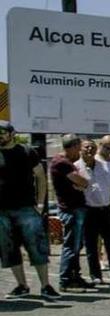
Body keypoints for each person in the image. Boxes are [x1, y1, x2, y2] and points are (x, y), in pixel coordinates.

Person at [0, 120, 60, 300]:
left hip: (26, 208)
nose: (0, 136)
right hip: (1, 211)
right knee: (8, 250)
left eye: (2, 132)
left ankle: (46, 286)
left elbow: (41, 177)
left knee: (37, 247)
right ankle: (22, 286)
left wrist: (40, 204)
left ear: (11, 134)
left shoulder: (27, 152)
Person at [76, 140, 110, 285]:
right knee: (92, 246)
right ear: (80, 149)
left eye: (92, 148)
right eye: (86, 147)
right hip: (88, 211)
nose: (89, 150)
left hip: (105, 209)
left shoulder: (103, 166)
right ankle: (96, 276)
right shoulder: (76, 167)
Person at [49, 134, 94, 291]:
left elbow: (81, 184)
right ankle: (66, 280)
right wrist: (83, 183)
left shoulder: (67, 162)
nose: (80, 152)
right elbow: (82, 181)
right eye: (79, 148)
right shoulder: (62, 163)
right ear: (74, 147)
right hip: (71, 209)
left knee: (76, 244)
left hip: (75, 207)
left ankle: (75, 276)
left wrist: (81, 184)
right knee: (71, 245)